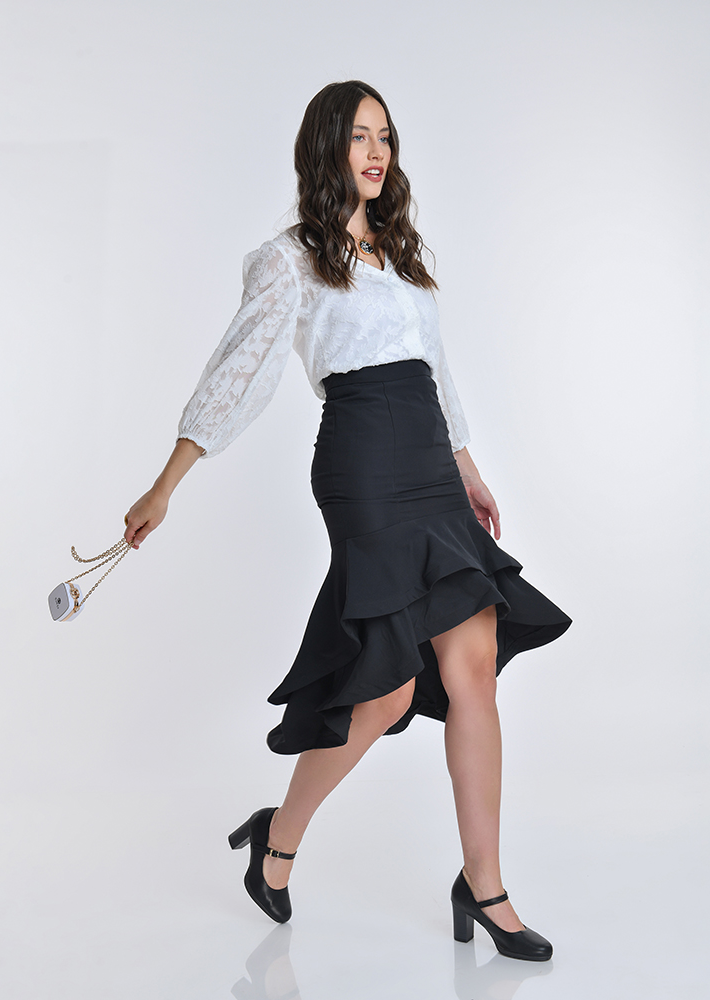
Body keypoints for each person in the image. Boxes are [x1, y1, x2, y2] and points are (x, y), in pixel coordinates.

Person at [123, 81, 571, 962]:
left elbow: (435, 368)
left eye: (385, 137)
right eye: (360, 136)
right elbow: (237, 370)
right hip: (362, 464)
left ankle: (485, 885)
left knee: (474, 668)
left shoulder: (401, 257)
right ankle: (278, 837)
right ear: (326, 147)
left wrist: (468, 467)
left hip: (431, 462)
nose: (376, 152)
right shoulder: (289, 259)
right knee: (389, 686)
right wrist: (166, 483)